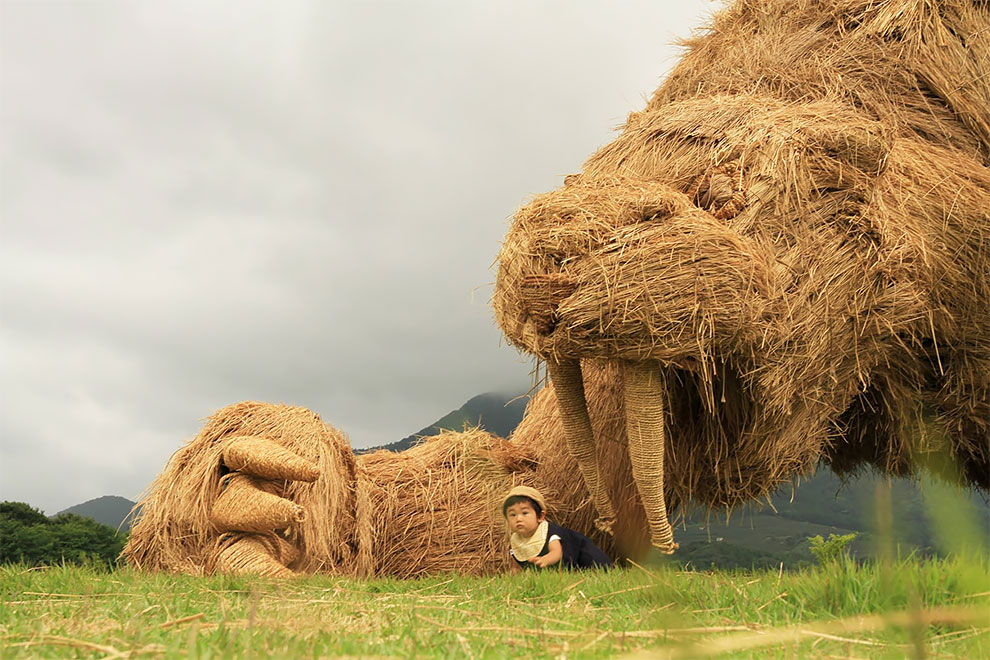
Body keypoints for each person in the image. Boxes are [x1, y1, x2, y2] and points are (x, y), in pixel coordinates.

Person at [502, 485, 613, 571]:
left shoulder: (549, 533)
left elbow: (557, 552)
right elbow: (516, 562)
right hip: (557, 568)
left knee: (597, 567)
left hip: (579, 552)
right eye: (513, 515)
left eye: (525, 513)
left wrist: (545, 560)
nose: (518, 519)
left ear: (540, 516)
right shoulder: (516, 541)